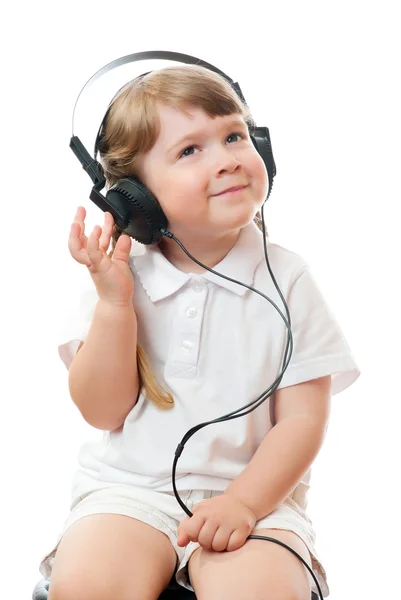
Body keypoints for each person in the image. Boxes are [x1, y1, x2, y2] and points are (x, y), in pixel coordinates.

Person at [39, 65, 360, 599]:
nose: (228, 158)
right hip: (129, 493)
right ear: (132, 198)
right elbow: (102, 411)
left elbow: (304, 419)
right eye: (190, 150)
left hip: (257, 502)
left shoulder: (288, 278)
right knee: (89, 585)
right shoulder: (119, 277)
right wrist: (115, 305)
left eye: (234, 136)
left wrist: (244, 504)